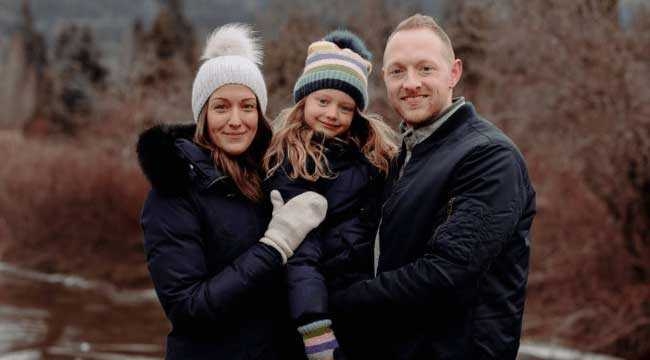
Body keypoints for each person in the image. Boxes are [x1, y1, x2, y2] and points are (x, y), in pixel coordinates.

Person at [330, 14, 537, 360]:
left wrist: (339, 300)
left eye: (425, 69)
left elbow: (446, 272)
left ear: (454, 72)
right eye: (397, 71)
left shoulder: (489, 157)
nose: (410, 83)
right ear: (384, 78)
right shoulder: (404, 156)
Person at [136, 23, 327, 360]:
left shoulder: (276, 176)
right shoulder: (174, 192)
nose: (236, 120)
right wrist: (274, 246)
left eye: (248, 107)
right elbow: (187, 308)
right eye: (221, 107)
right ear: (203, 115)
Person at [263, 30, 398, 360]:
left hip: (369, 302)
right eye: (323, 101)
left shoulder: (376, 156)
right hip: (322, 308)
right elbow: (301, 253)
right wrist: (315, 326)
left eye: (345, 107)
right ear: (304, 101)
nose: (332, 114)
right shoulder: (293, 161)